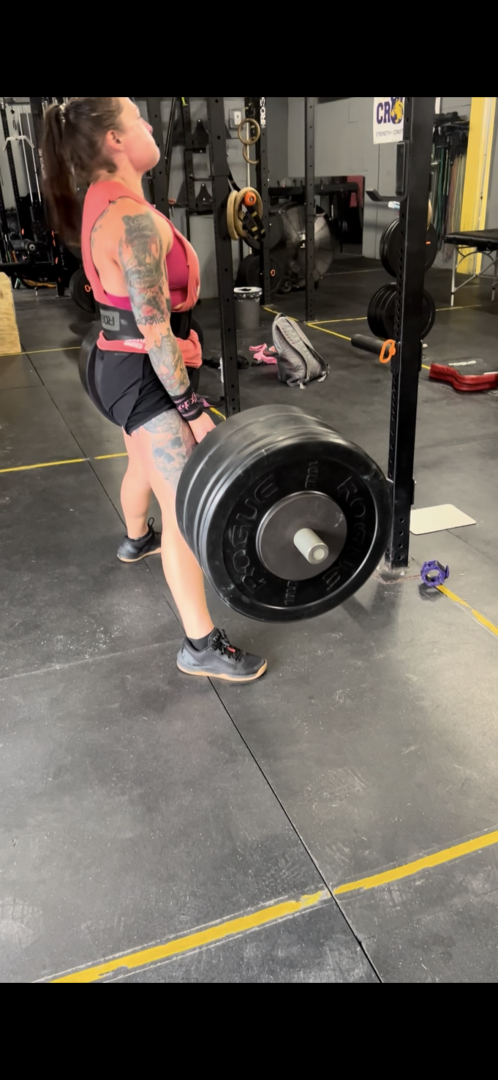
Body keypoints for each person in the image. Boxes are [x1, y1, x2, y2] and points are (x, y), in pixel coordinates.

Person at [42, 96, 267, 683]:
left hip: (115, 362)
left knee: (141, 462)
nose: (148, 125)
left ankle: (135, 539)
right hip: (146, 374)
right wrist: (192, 409)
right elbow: (153, 328)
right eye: (137, 118)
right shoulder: (132, 222)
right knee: (183, 507)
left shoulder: (104, 199)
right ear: (115, 140)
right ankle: (200, 645)